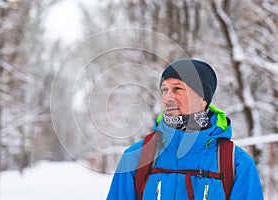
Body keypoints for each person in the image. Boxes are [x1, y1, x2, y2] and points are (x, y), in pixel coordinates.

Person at [107, 59, 264, 200]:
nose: (167, 98)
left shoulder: (237, 164)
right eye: (164, 90)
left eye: (178, 89)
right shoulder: (135, 158)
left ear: (203, 99)